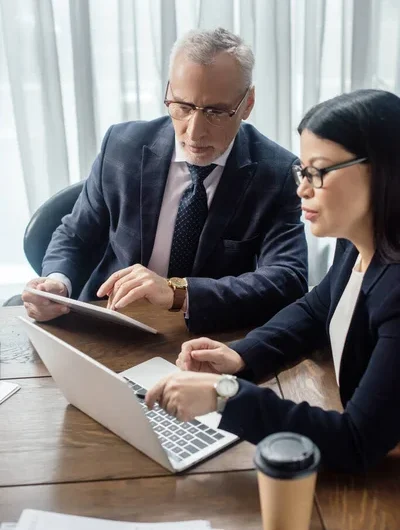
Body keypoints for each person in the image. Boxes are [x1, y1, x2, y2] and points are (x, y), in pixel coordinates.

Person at [145, 89, 400, 471]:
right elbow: (317, 309)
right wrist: (242, 355)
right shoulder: (359, 242)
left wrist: (224, 396)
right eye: (302, 170)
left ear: (383, 170)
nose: (303, 188)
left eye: (319, 171)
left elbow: (355, 441)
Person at [21, 27, 307, 333]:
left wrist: (179, 292)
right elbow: (76, 235)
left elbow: (288, 277)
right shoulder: (122, 146)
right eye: (182, 107)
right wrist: (56, 283)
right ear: (169, 91)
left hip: (205, 332)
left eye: (215, 112)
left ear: (247, 104)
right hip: (110, 321)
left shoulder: (276, 173)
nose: (194, 133)